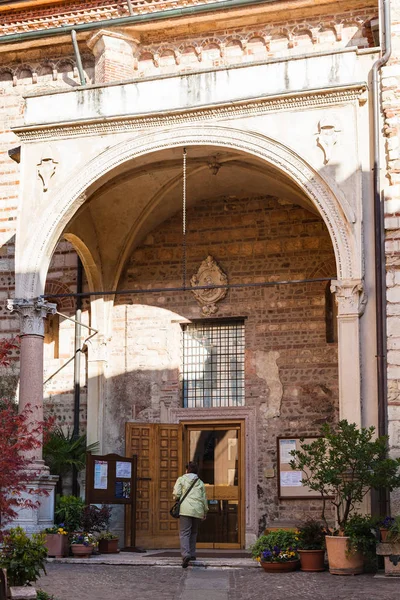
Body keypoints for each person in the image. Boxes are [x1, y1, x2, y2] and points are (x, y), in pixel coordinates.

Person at [173, 461, 208, 568]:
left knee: (184, 533)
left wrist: (176, 499)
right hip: (197, 510)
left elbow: (176, 494)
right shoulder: (200, 482)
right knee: (193, 532)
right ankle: (192, 554)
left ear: (187, 469)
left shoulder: (181, 479)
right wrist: (205, 511)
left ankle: (185, 554)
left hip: (185, 509)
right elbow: (204, 498)